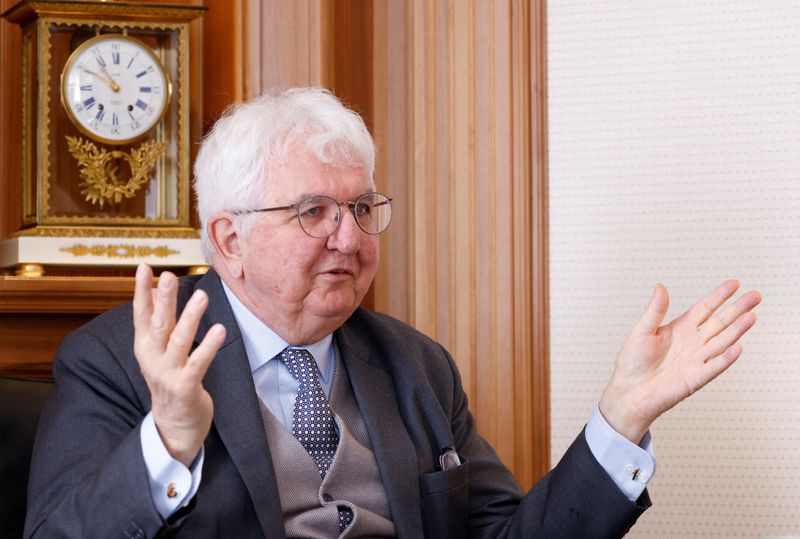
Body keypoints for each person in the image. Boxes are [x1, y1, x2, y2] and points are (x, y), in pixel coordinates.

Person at [24, 88, 761, 538]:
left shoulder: (416, 365)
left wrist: (620, 418)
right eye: (313, 211)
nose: (350, 237)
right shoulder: (119, 357)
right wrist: (170, 444)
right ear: (229, 239)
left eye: (362, 207)